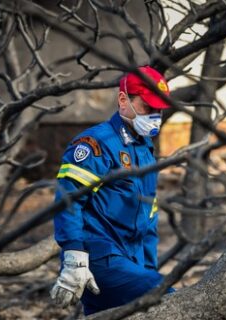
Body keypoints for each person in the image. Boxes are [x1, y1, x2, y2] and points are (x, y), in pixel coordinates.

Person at [49, 66, 174, 315]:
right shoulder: (96, 143)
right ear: (123, 100)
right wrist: (74, 255)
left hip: (130, 262)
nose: (155, 116)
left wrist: (147, 269)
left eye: (159, 109)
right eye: (148, 107)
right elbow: (68, 200)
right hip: (96, 259)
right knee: (169, 299)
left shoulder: (145, 150)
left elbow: (149, 217)